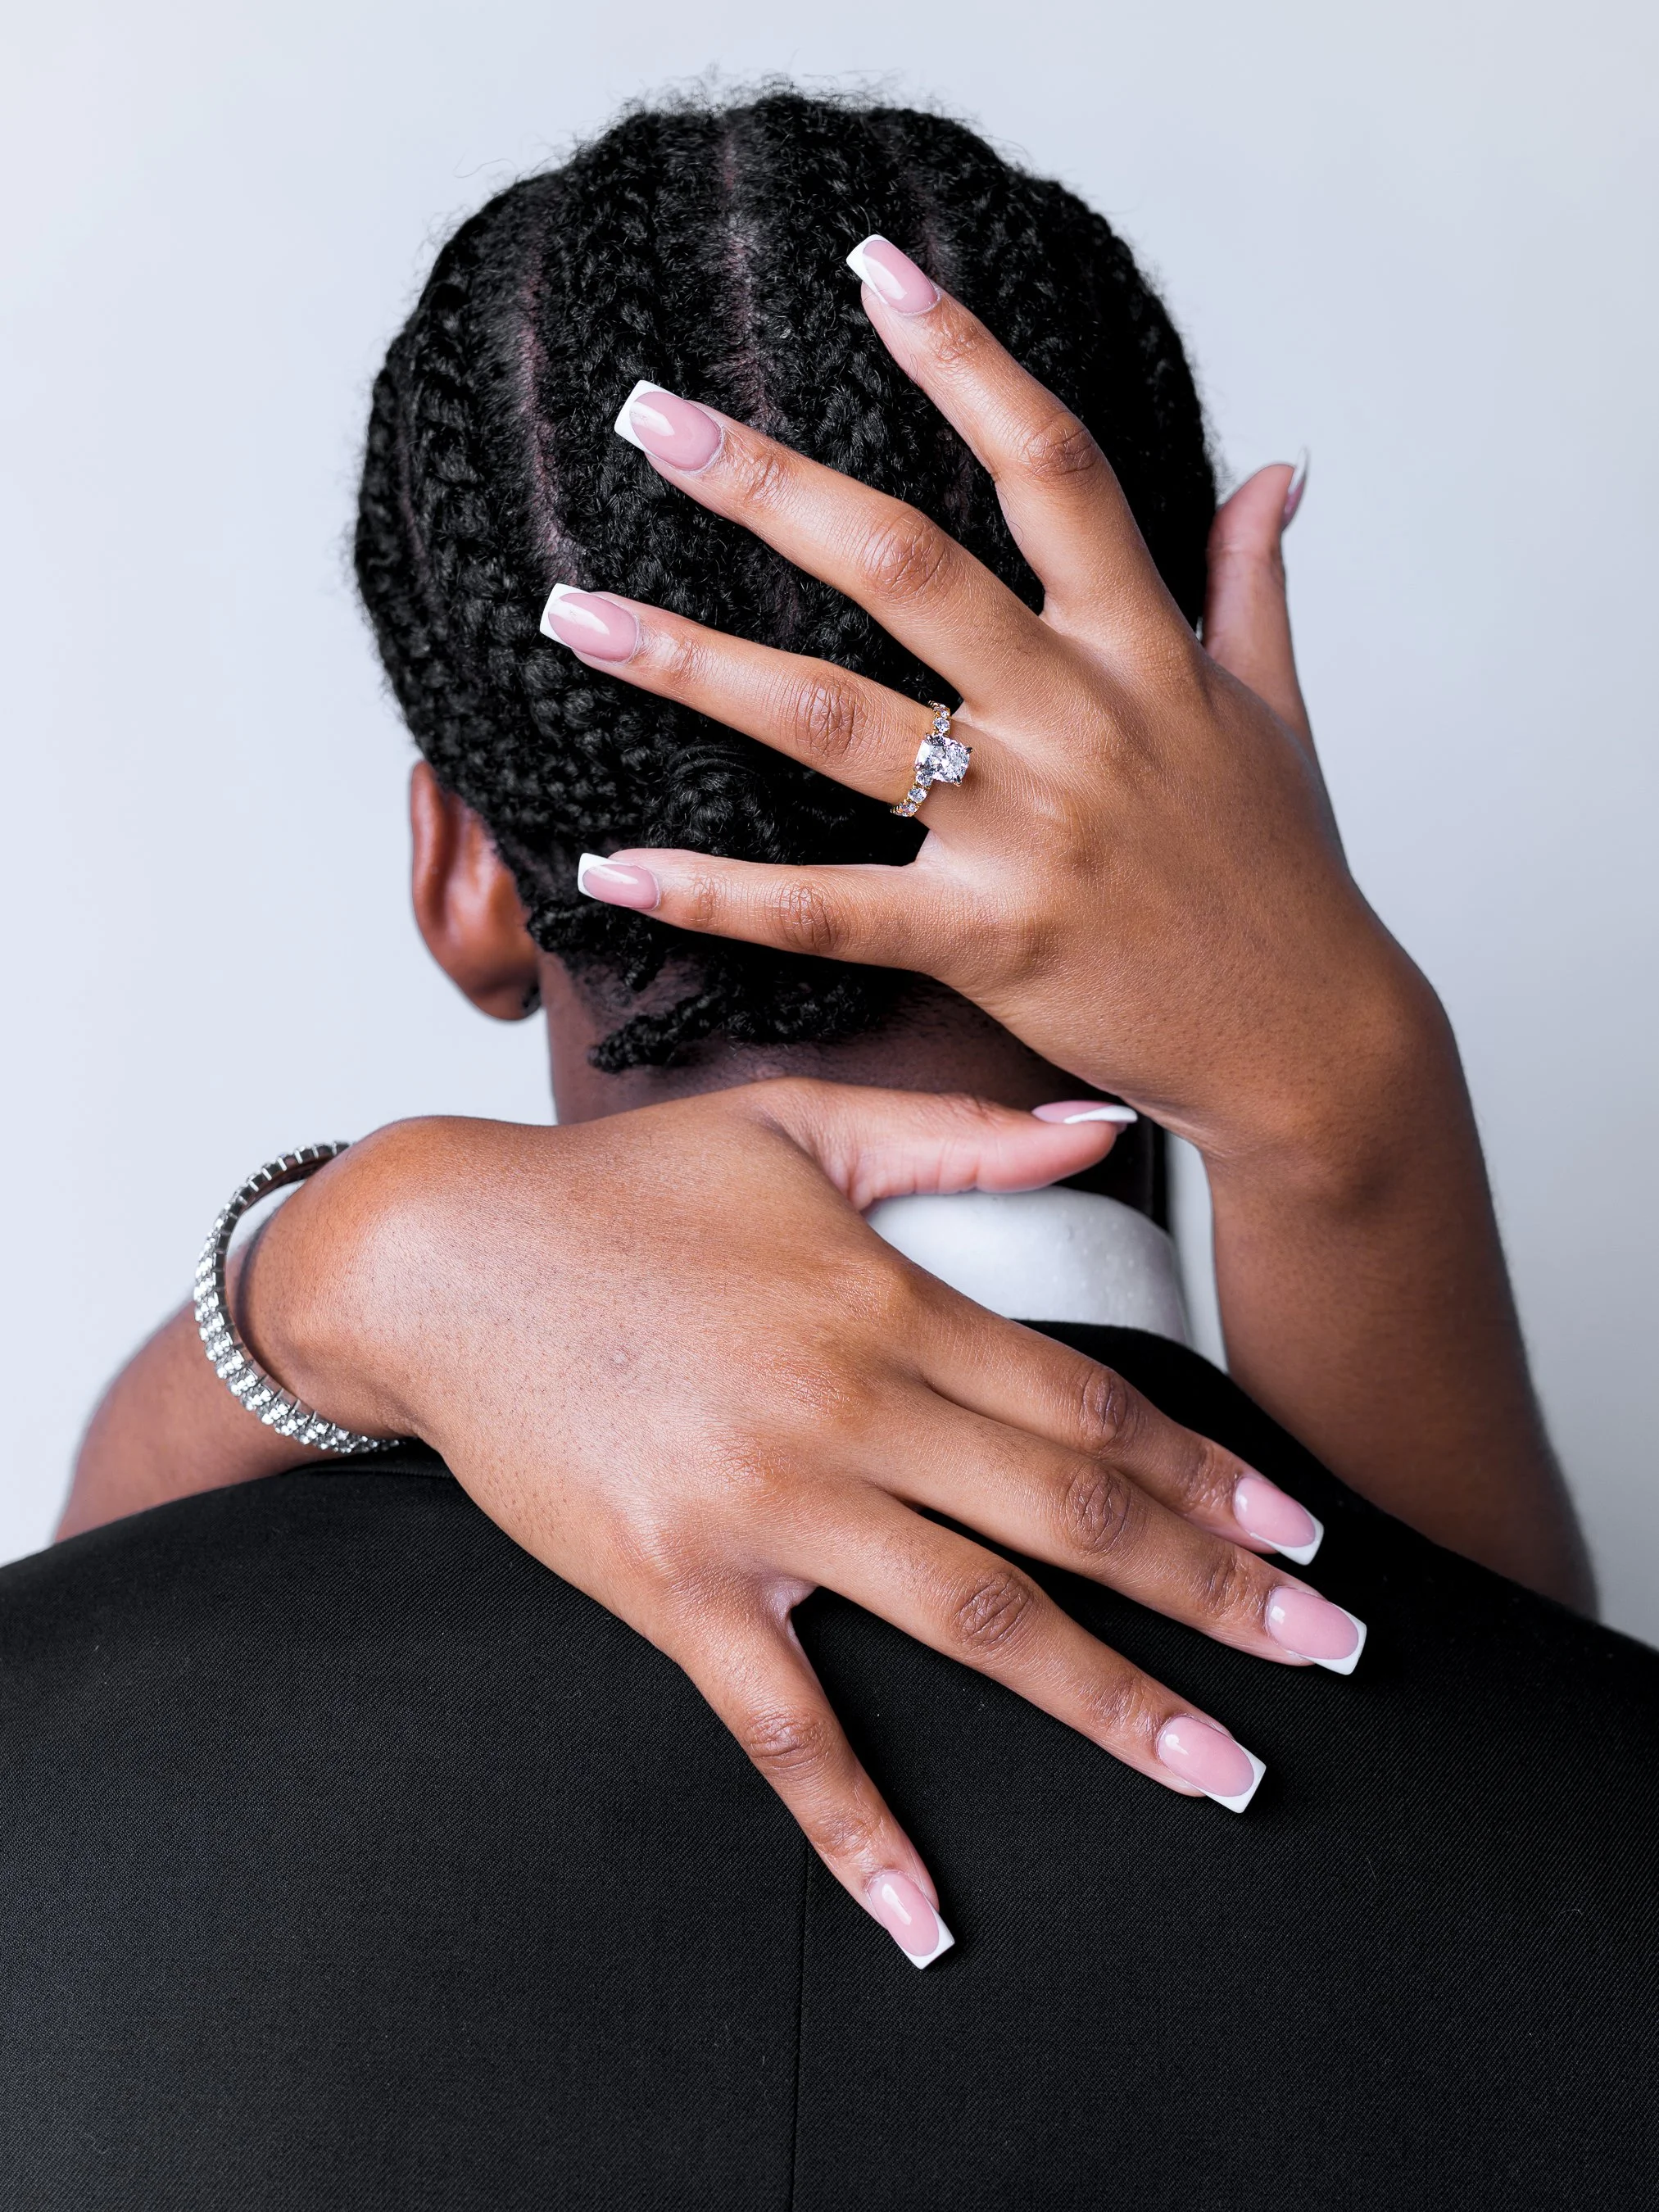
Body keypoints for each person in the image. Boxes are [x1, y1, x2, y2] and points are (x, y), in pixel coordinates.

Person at [5, 89, 1655, 2210]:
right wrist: (1348, 1078)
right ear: (1215, 759)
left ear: (461, 874)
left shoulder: (48, 1755)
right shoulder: (1595, 1835)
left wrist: (319, 1263)